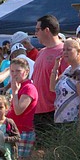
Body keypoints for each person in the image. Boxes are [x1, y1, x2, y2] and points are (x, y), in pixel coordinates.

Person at [30, 15, 67, 145]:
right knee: (40, 150)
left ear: (46, 30)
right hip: (38, 110)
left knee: (53, 149)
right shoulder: (41, 52)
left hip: (54, 111)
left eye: (37, 30)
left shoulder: (64, 51)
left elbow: (69, 80)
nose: (35, 34)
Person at [5, 57, 38, 160]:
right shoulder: (19, 87)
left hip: (23, 131)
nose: (14, 74)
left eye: (18, 71)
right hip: (14, 129)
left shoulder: (28, 88)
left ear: (26, 71)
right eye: (12, 71)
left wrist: (14, 93)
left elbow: (19, 110)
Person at [50, 37, 80, 128]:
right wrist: (55, 68)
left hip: (73, 121)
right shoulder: (68, 70)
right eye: (63, 49)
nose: (65, 52)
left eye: (69, 50)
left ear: (79, 51)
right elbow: (52, 88)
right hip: (60, 119)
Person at [0, 95, 20, 159]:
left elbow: (17, 137)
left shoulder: (9, 122)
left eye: (1, 107)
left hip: (8, 152)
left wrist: (5, 139)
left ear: (6, 108)